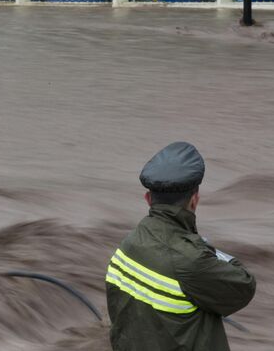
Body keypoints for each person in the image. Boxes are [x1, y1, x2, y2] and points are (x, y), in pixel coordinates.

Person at [106, 141, 256, 351]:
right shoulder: (192, 260)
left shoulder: (127, 244)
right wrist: (203, 247)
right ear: (194, 201)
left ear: (148, 199)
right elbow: (244, 284)